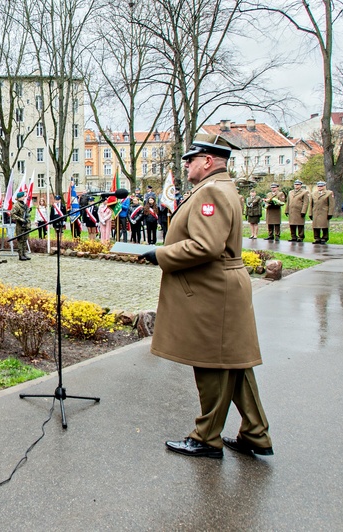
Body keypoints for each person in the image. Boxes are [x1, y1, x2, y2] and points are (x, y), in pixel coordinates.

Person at [141, 133, 273, 459]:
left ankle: (206, 437)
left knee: (212, 364)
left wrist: (162, 255)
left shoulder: (211, 191)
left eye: (191, 159)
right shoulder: (222, 187)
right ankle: (256, 432)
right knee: (236, 364)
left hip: (213, 291)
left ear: (208, 162)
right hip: (224, 288)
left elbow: (206, 246)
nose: (186, 164)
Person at [11, 191, 31, 260]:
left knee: (25, 239)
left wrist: (28, 210)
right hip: (20, 225)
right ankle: (20, 255)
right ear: (19, 197)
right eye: (23, 196)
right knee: (20, 240)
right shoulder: (16, 205)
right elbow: (12, 214)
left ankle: (24, 254)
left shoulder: (24, 204)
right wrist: (20, 219)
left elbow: (26, 213)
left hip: (26, 224)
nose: (24, 197)